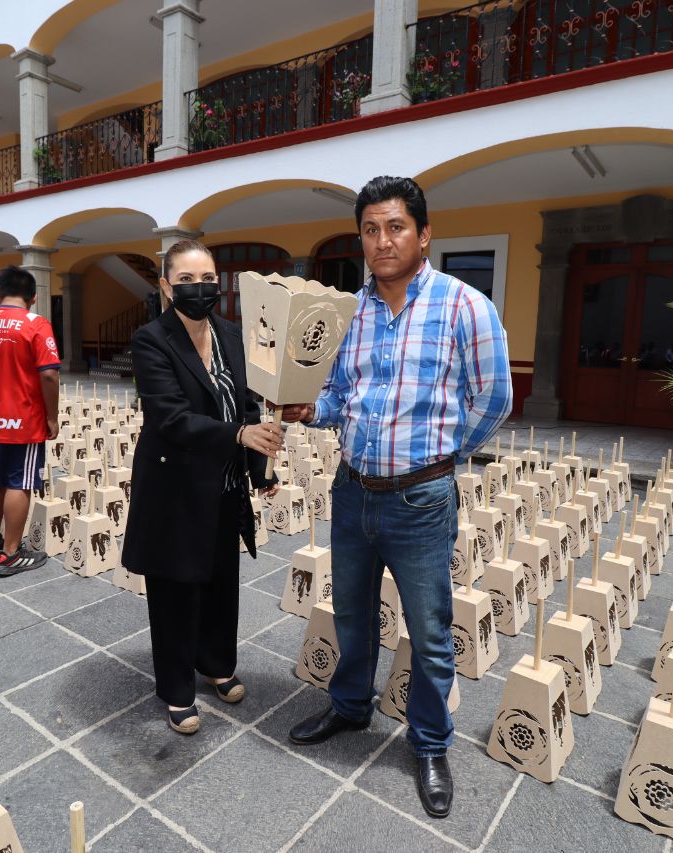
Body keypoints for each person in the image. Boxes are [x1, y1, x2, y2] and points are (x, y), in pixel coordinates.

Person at [281, 176, 512, 819]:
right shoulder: (350, 314)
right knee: (351, 614)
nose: (383, 241)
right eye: (371, 230)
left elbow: (495, 398)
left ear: (423, 233)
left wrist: (441, 454)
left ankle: (431, 744)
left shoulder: (464, 306)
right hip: (353, 493)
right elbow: (338, 397)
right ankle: (351, 707)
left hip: (420, 502)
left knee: (432, 632)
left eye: (396, 227)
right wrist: (311, 410)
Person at [122, 239, 284, 735]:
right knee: (174, 589)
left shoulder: (233, 335)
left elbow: (249, 408)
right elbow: (169, 416)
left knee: (219, 581)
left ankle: (216, 662)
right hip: (174, 487)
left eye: (208, 278)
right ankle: (176, 689)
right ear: (167, 287)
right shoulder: (152, 339)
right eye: (187, 281)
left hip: (223, 485)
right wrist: (237, 434)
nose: (200, 288)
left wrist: (260, 468)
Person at [0, 266, 61, 575]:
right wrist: (53, 416)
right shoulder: (36, 324)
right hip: (23, 418)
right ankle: (10, 554)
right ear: (33, 297)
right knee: (20, 483)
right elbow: (48, 374)